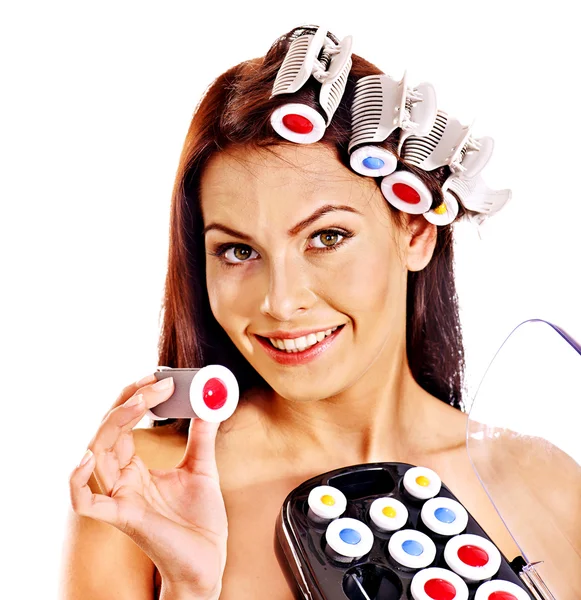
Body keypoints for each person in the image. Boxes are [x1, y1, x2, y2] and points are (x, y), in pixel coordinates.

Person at [59, 25, 578, 600]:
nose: (280, 302)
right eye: (238, 251)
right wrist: (189, 585)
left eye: (326, 238)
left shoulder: (547, 483)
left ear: (415, 230)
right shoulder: (142, 490)